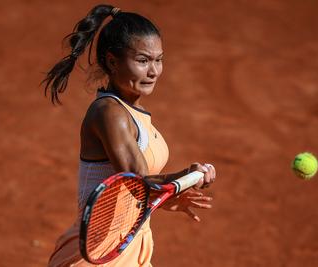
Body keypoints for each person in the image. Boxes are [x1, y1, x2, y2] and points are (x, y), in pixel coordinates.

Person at [42, 4, 216, 267]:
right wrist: (185, 176)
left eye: (159, 60)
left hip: (131, 243)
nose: (154, 71)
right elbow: (139, 181)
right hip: (98, 252)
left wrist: (169, 197)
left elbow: (133, 191)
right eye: (143, 60)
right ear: (112, 61)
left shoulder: (136, 113)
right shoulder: (109, 113)